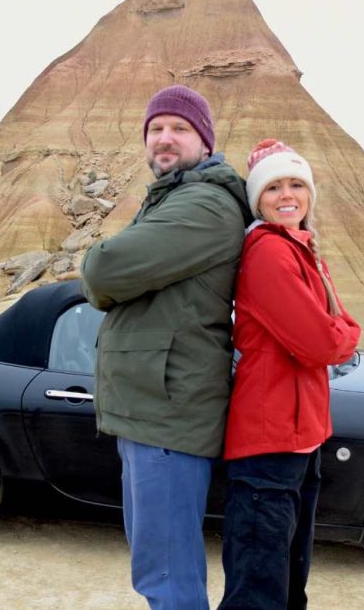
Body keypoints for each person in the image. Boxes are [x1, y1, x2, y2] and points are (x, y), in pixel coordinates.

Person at [80, 84, 253, 609]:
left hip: (168, 415)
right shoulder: (176, 196)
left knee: (168, 575)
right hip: (153, 410)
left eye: (179, 128)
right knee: (158, 567)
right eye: (156, 128)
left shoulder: (204, 204)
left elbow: (103, 270)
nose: (165, 138)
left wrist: (101, 273)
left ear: (205, 141)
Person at [219, 139, 361, 610]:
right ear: (257, 199)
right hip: (269, 440)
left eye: (297, 184)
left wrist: (336, 331)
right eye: (274, 186)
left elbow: (324, 334)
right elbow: (322, 343)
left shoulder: (300, 248)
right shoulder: (269, 253)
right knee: (259, 582)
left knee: (288, 573)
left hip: (299, 437)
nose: (287, 195)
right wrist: (348, 330)